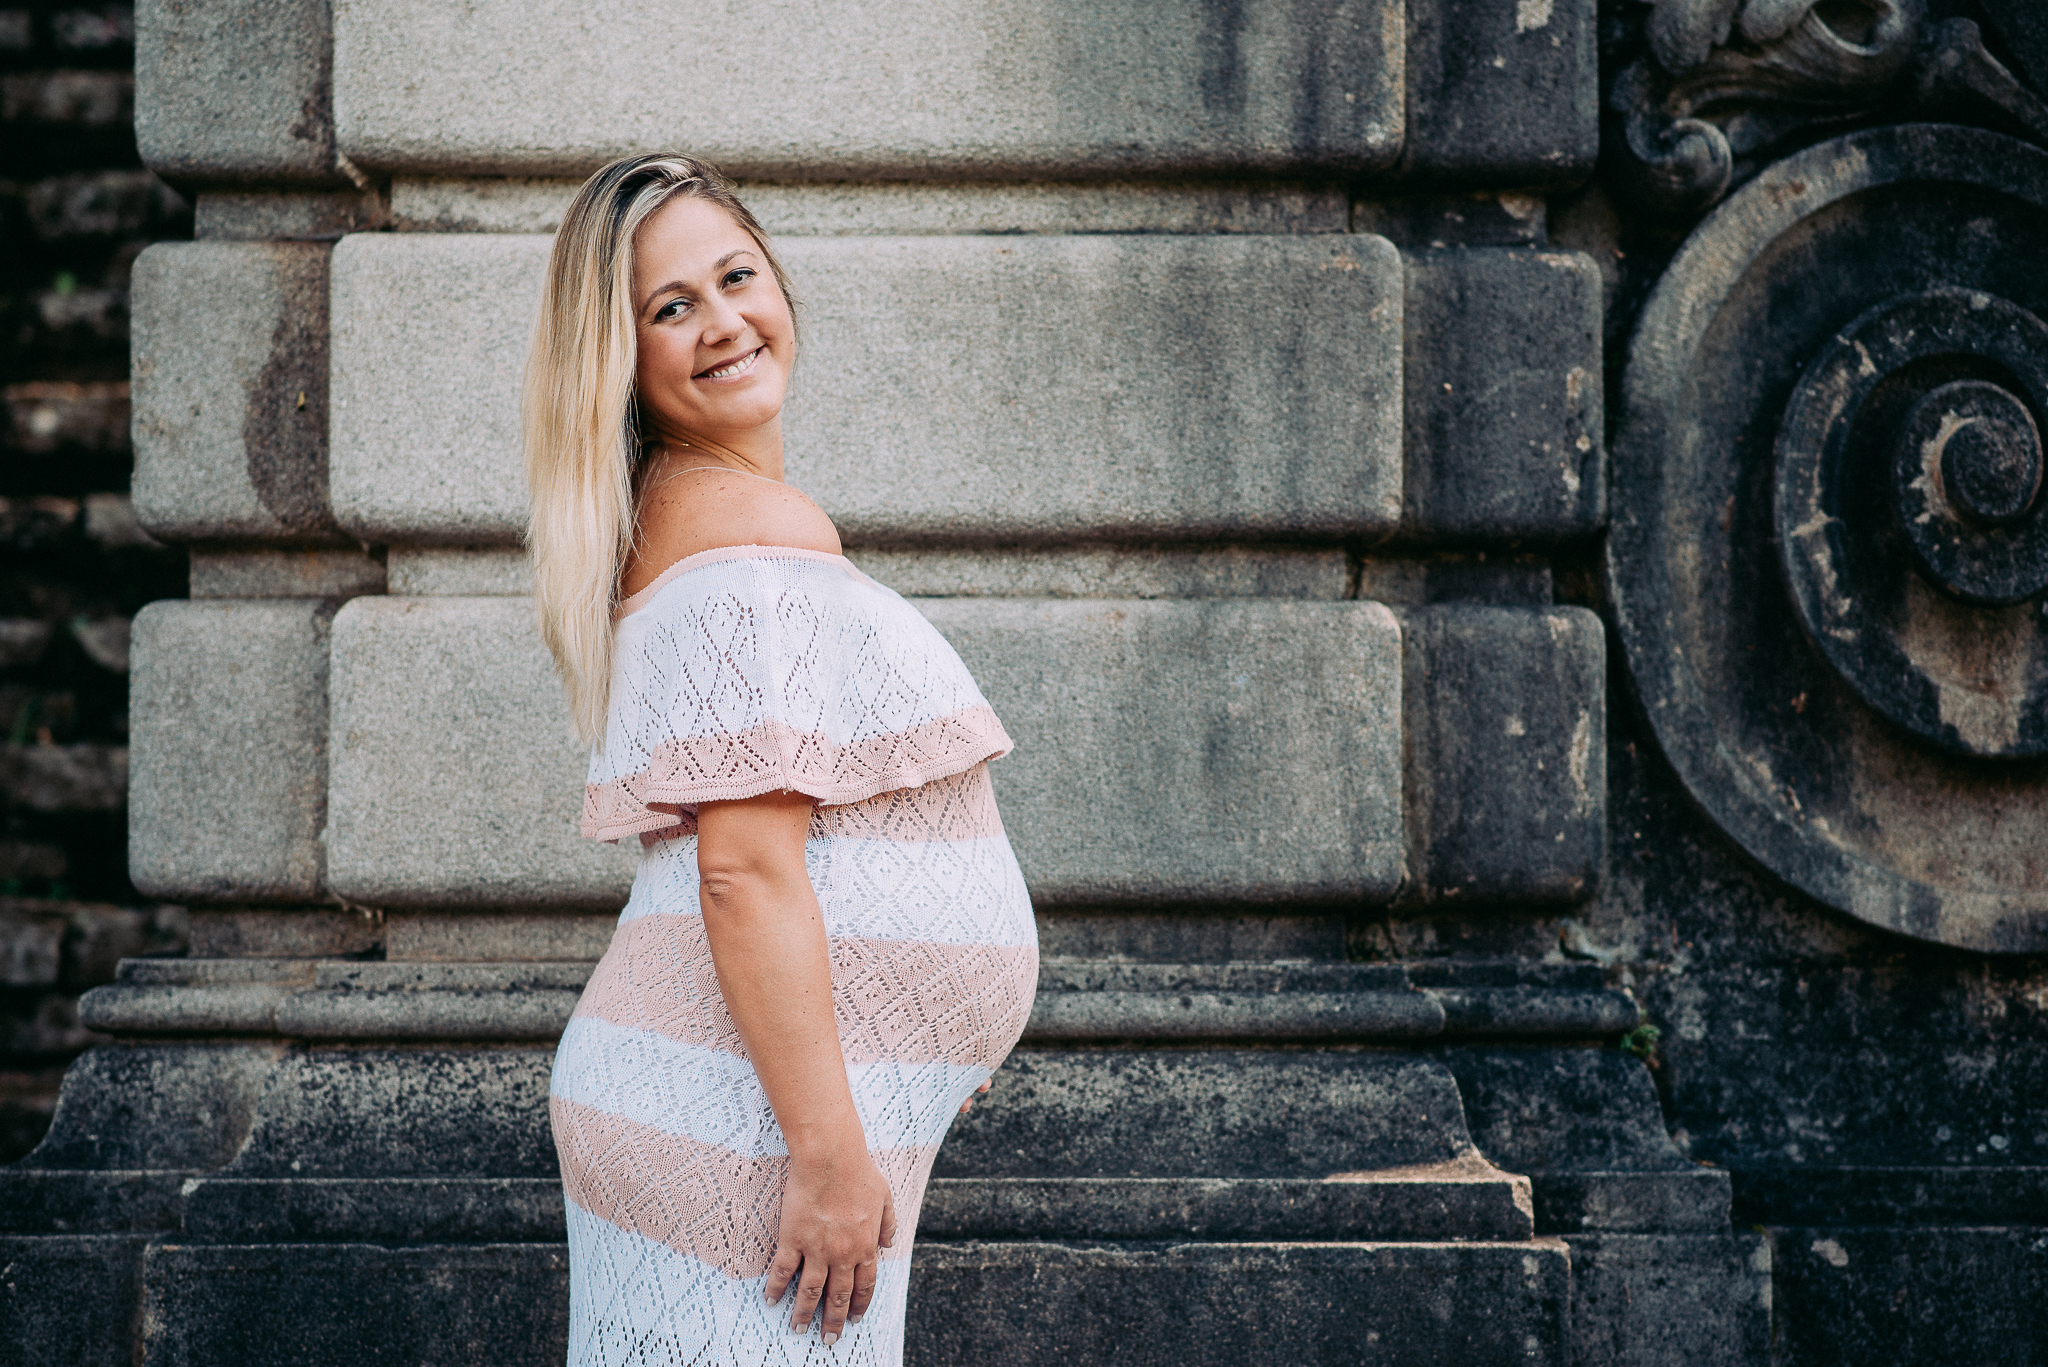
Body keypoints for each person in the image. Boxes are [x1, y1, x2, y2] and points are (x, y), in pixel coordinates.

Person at [524, 153, 1038, 1366]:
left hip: (744, 1099)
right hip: (744, 1127)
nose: (722, 323)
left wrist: (913, 1044)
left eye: (734, 275)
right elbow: (744, 873)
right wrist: (824, 1147)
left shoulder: (681, 511)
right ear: (622, 358)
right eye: (669, 307)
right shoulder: (746, 530)